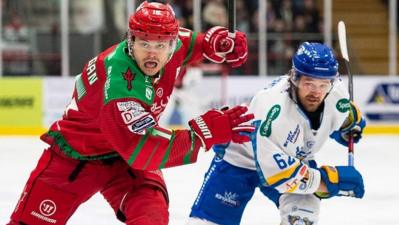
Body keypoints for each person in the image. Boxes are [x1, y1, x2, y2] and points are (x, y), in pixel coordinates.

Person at [7, 2, 254, 225]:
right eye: (144, 43)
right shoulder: (118, 85)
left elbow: (192, 44)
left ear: (171, 44)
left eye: (160, 45)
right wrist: (203, 133)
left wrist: (216, 43)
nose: (152, 53)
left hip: (123, 160)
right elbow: (142, 150)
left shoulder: (172, 42)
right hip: (77, 157)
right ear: (130, 40)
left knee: (151, 217)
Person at [187, 42, 366, 225]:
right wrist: (330, 180)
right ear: (294, 78)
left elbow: (340, 115)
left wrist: (347, 125)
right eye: (309, 83)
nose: (316, 92)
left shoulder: (336, 93)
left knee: (302, 219)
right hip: (240, 159)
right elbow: (279, 174)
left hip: (295, 159)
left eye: (323, 85)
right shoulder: (273, 109)